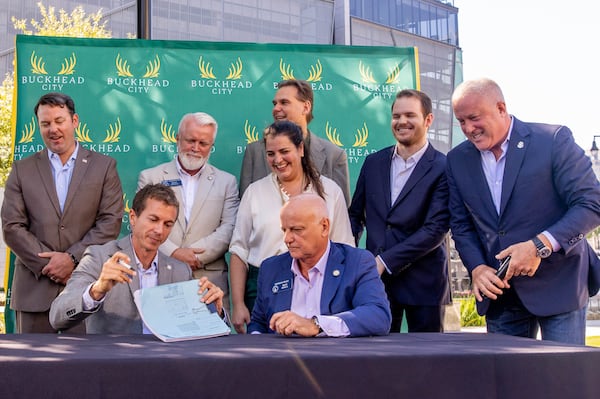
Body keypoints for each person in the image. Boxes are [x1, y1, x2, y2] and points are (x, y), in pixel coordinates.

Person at [447, 78, 600, 344]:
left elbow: (591, 203)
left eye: (474, 118)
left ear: (501, 108)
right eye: (461, 121)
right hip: (500, 294)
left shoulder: (552, 140)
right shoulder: (457, 159)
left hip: (559, 285)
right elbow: (461, 225)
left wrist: (538, 246)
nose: (468, 129)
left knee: (561, 381)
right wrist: (477, 268)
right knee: (508, 385)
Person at [1, 92, 123, 333]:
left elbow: (110, 222)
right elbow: (12, 227)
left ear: (74, 121)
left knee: (86, 370)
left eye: (59, 121)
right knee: (32, 369)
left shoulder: (104, 166)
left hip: (86, 291)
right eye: (45, 124)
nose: (53, 129)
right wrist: (50, 264)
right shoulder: (22, 169)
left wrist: (72, 259)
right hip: (34, 294)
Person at [230, 120, 354, 333]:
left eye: (284, 151)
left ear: (301, 149)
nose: (277, 160)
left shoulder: (330, 191)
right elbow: (239, 250)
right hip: (263, 289)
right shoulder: (254, 192)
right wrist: (239, 304)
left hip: (321, 285)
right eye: (270, 153)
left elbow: (344, 246)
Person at [49, 184, 225, 334]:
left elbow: (197, 328)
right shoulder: (99, 257)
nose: (159, 230)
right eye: (153, 219)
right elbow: (57, 317)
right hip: (114, 365)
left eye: (167, 224)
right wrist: (96, 290)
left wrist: (214, 311)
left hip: (166, 366)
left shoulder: (180, 269)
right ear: (133, 218)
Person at [348, 89, 450, 332]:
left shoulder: (444, 166)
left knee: (428, 364)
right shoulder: (373, 163)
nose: (402, 121)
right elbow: (355, 216)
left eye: (410, 115)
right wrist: (349, 258)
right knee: (377, 362)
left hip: (425, 285)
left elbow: (435, 230)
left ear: (428, 120)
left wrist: (384, 261)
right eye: (396, 116)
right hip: (376, 283)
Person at [248, 193, 391, 337]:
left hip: (334, 357)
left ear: (324, 227)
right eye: (284, 230)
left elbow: (378, 315)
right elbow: (259, 323)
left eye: (296, 230)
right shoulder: (271, 268)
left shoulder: (357, 262)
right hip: (283, 357)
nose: (287, 239)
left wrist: (317, 325)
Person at [137, 112, 238, 313]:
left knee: (211, 342)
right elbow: (143, 225)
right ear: (177, 138)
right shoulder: (150, 177)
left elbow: (229, 228)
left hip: (208, 281)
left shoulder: (227, 182)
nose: (196, 148)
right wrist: (174, 253)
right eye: (190, 140)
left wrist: (195, 256)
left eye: (203, 143)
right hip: (159, 276)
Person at [239, 79, 350, 204]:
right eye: (275, 103)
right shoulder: (254, 152)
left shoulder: (334, 156)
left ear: (306, 107)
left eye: (284, 102)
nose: (276, 108)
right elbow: (244, 207)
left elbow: (341, 211)